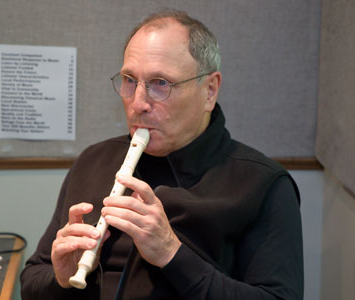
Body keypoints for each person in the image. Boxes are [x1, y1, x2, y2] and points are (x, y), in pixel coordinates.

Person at [20, 9, 303, 300]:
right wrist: (61, 280)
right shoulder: (93, 161)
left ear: (209, 90)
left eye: (161, 83)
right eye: (130, 80)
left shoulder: (263, 185)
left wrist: (172, 254)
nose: (138, 103)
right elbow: (31, 280)